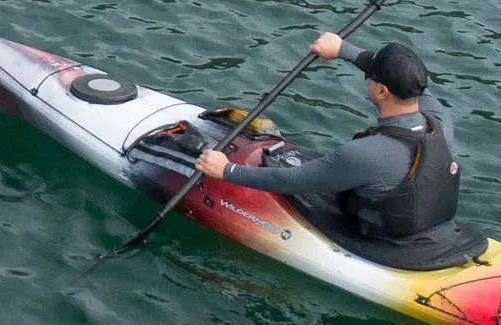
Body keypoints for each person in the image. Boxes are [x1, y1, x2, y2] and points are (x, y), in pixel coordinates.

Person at [194, 34, 485, 268]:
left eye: (371, 77)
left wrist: (226, 170)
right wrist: (342, 49)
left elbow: (292, 180)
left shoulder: (365, 154)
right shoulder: (440, 120)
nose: (368, 80)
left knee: (293, 178)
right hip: (438, 231)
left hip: (392, 244)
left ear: (382, 92)